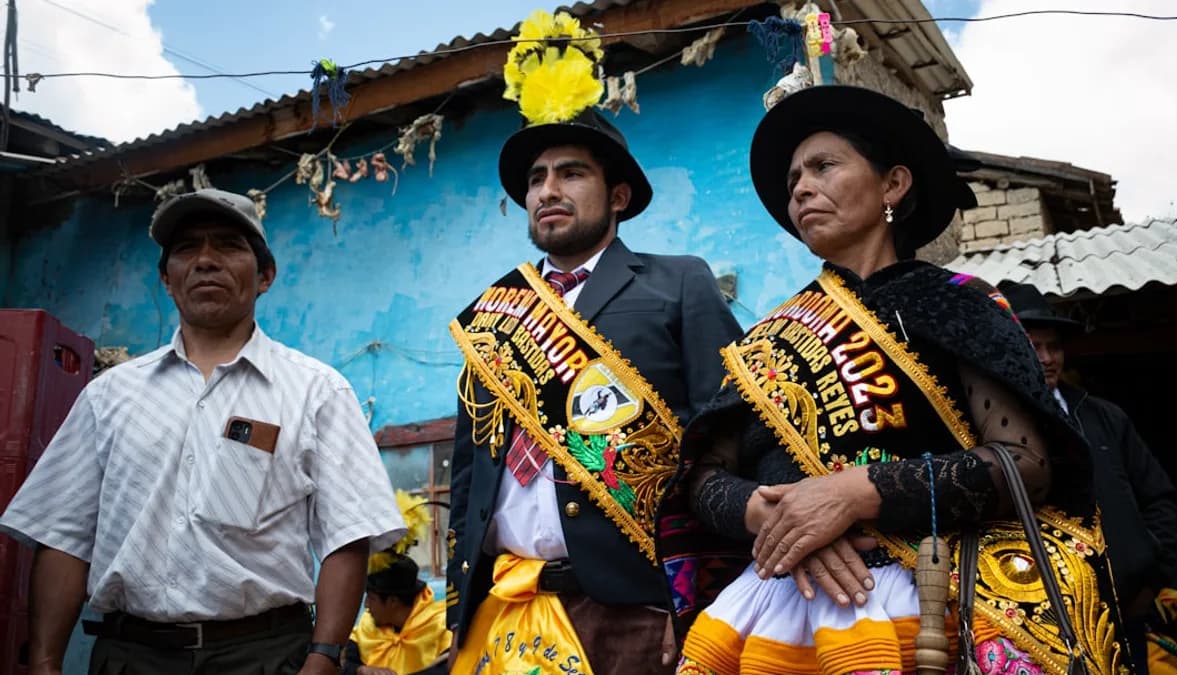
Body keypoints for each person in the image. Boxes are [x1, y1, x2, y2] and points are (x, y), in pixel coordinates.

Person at [673, 84, 1129, 674]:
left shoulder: (959, 303)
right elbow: (702, 478)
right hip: (782, 608)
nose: (802, 188)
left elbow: (1027, 463)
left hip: (930, 600)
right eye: (793, 181)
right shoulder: (767, 336)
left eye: (823, 167)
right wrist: (774, 518)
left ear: (893, 184)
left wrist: (855, 493)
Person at [0, 188, 407, 675]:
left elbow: (347, 538)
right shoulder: (108, 396)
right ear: (166, 279)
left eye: (229, 246)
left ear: (266, 276)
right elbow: (64, 535)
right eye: (187, 248)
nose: (206, 261)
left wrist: (322, 658)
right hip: (129, 657)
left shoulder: (316, 392)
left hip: (264, 656)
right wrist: (45, 661)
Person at [446, 20, 742, 673]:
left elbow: (730, 434)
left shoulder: (679, 281)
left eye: (571, 173)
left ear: (618, 195)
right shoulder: (494, 315)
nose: (547, 190)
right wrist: (455, 608)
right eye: (536, 178)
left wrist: (703, 600)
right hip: (505, 606)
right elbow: (470, 479)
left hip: (636, 611)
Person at [1002, 280, 1177, 674]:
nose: (1048, 358)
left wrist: (1146, 567)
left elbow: (1159, 497)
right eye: (1035, 347)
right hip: (1045, 620)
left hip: (1126, 608)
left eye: (1055, 347)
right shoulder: (996, 428)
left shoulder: (1103, 417)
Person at [343, 491, 452, 675]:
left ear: (392, 601)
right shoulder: (367, 627)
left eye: (370, 598)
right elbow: (345, 667)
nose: (366, 606)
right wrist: (362, 670)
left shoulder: (441, 624)